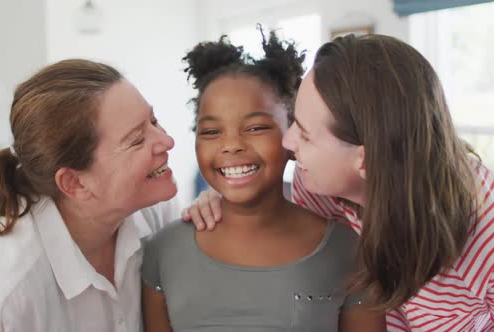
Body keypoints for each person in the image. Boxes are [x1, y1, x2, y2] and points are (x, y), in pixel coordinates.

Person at [183, 34, 494, 332]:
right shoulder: (317, 190)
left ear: (366, 161)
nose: (289, 143)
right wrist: (225, 201)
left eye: (306, 135)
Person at [141, 29, 386, 332]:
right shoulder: (163, 252)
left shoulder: (349, 250)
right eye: (211, 132)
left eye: (256, 128)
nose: (231, 145)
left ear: (294, 134)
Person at [0, 59, 179, 331]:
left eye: (154, 121)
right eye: (137, 140)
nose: (167, 141)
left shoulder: (153, 216)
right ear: (74, 183)